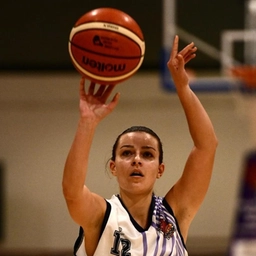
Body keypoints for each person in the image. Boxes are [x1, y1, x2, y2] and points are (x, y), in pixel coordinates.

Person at [62, 35, 218, 256]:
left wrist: (183, 87)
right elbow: (72, 193)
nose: (137, 159)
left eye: (147, 154)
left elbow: (207, 146)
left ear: (160, 169)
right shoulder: (101, 216)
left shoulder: (176, 214)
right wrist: (87, 123)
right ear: (113, 166)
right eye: (126, 153)